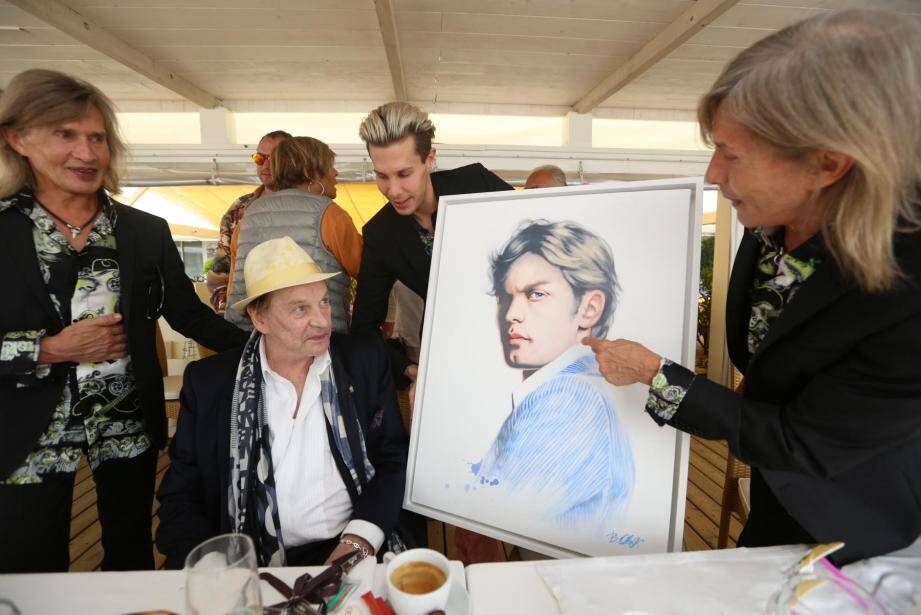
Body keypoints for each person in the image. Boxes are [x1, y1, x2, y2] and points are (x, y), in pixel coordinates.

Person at [584, 9, 921, 565]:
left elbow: (800, 441)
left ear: (826, 164)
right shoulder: (772, 217)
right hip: (775, 486)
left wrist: (656, 374)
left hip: (852, 524)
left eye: (732, 154)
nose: (714, 174)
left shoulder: (905, 289)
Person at [0, 69, 248, 573]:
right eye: (64, 135)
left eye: (96, 137)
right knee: (30, 566)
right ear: (17, 139)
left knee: (131, 555)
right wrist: (49, 349)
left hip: (127, 425)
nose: (86, 153)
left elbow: (188, 313)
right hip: (25, 435)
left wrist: (265, 346)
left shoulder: (143, 231)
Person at [157, 237, 407, 568]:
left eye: (324, 302)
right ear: (259, 319)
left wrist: (359, 540)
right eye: (300, 308)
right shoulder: (211, 383)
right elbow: (180, 496)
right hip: (252, 559)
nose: (321, 321)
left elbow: (394, 460)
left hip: (355, 544)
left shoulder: (363, 361)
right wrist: (217, 568)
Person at [473, 220, 634, 529]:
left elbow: (494, 514)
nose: (510, 314)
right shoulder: (566, 391)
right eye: (505, 297)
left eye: (535, 295)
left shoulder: (571, 401)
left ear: (589, 309)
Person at [352, 102, 514, 397]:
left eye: (404, 174)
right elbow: (363, 329)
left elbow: (536, 236)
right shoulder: (380, 234)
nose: (394, 191)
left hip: (521, 335)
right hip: (447, 354)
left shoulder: (477, 184)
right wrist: (408, 368)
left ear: (429, 158)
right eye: (381, 176)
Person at [226, 136, 362, 333]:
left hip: (253, 339)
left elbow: (234, 285)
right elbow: (368, 272)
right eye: (330, 166)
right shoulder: (330, 215)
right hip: (317, 339)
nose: (335, 173)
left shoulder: (247, 216)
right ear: (309, 173)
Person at [217, 130, 291, 257]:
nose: (266, 165)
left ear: (293, 161)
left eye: (274, 159)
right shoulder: (239, 207)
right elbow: (222, 268)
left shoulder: (311, 205)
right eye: (259, 158)